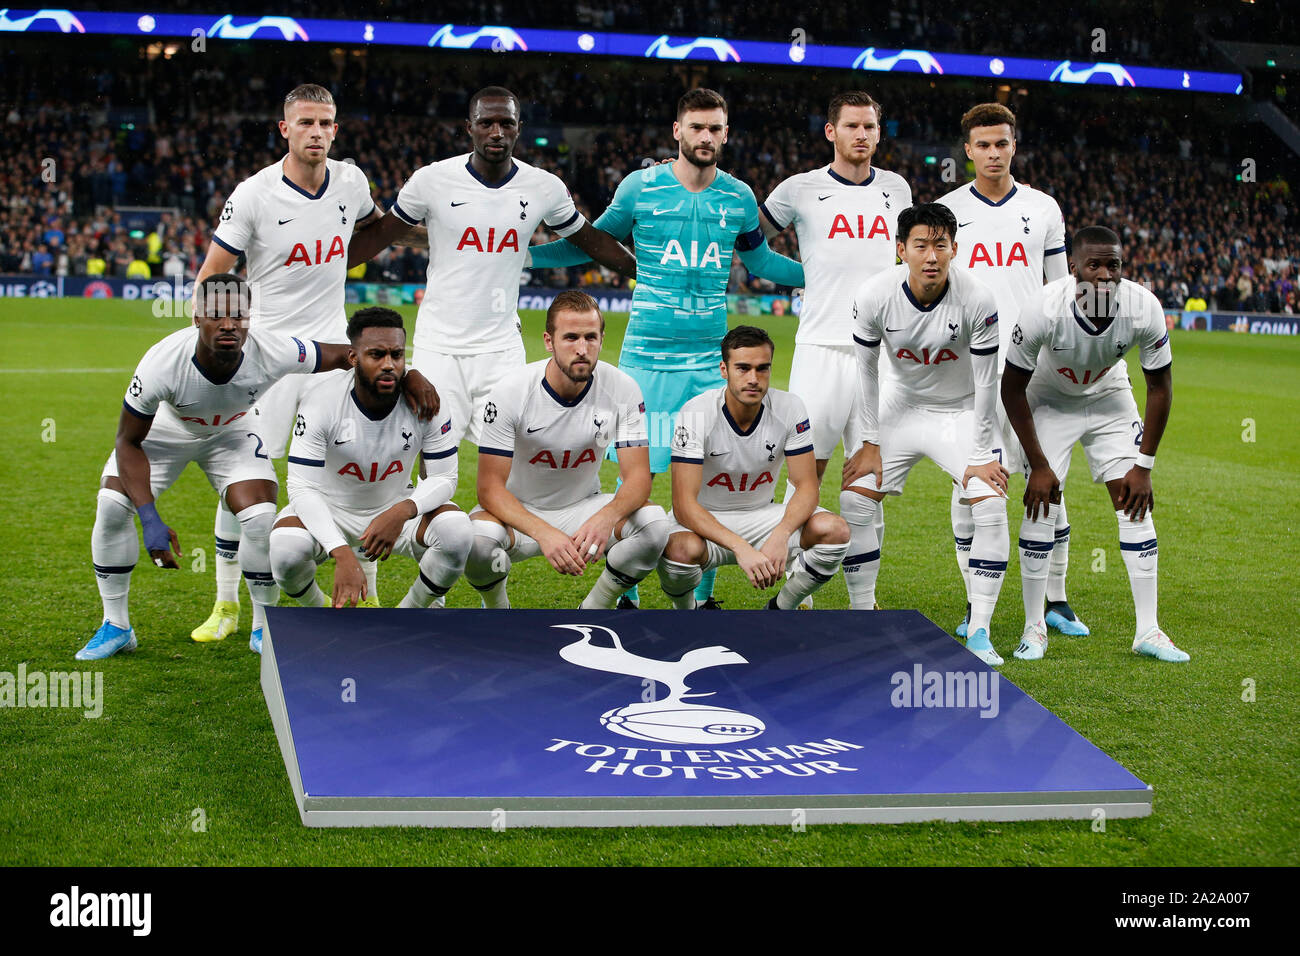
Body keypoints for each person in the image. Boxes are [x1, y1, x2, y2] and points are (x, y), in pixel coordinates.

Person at [529, 88, 805, 608]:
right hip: (645, 363)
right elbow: (593, 242)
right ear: (677, 131)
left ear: (726, 134)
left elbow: (764, 263)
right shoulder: (641, 187)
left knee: (711, 482)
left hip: (709, 365)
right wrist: (519, 254)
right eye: (697, 127)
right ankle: (625, 587)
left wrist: (828, 276)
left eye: (716, 128)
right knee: (638, 481)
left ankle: (702, 595)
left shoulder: (739, 197)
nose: (706, 136)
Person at [77, 275, 438, 660]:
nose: (229, 324)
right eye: (217, 314)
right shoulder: (163, 363)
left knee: (261, 516)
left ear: (250, 318)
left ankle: (264, 625)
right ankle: (116, 625)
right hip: (166, 432)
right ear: (196, 318)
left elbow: (348, 355)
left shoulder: (273, 349)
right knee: (113, 505)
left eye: (238, 315)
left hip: (232, 432)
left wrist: (410, 372)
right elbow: (128, 441)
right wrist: (149, 517)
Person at [192, 83, 390, 643]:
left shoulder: (351, 182)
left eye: (326, 123)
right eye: (306, 123)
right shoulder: (254, 195)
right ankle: (228, 604)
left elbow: (375, 232)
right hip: (267, 362)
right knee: (245, 479)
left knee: (352, 470)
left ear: (336, 128)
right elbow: (212, 276)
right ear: (285, 128)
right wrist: (213, 347)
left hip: (332, 356)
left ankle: (364, 596)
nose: (317, 133)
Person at [347, 86, 635, 453]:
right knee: (435, 457)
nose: (496, 132)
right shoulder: (432, 181)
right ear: (470, 127)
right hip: (440, 346)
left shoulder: (543, 187)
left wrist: (643, 272)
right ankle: (433, 512)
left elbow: (590, 240)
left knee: (512, 459)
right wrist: (327, 264)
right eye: (487, 123)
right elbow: (381, 236)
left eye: (506, 123)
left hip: (501, 349)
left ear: (519, 128)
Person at [1002, 226, 1187, 662]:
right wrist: (1038, 463)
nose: (1105, 274)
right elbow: (1011, 389)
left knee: (1134, 507)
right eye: (1095, 265)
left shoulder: (1143, 307)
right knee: (1041, 505)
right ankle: (1034, 628)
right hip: (1048, 400)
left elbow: (1160, 387)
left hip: (1108, 398)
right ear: (1074, 269)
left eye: (1114, 265)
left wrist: (1144, 465)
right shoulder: (1043, 308)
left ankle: (1148, 631)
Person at [936, 102, 1084, 640]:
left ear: (1014, 145)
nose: (993, 153)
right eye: (983, 144)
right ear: (968, 150)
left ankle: (1056, 600)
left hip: (1035, 369)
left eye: (1003, 143)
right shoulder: (946, 210)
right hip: (971, 369)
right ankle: (976, 603)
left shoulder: (1044, 209)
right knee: (971, 483)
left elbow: (1058, 290)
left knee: (1050, 481)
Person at [758, 90, 910, 608]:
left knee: (869, 478)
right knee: (808, 473)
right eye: (852, 126)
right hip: (820, 349)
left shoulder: (897, 190)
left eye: (870, 126)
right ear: (831, 132)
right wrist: (801, 276)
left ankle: (862, 606)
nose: (862, 135)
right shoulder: (800, 189)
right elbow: (747, 236)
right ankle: (799, 596)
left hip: (881, 356)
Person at [842, 203, 1010, 666]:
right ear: (901, 250)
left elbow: (987, 382)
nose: (931, 255)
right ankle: (862, 618)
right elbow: (866, 372)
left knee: (990, 501)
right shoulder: (875, 294)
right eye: (921, 245)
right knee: (856, 497)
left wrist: (979, 455)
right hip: (900, 405)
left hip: (961, 411)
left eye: (941, 244)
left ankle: (979, 629)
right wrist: (869, 442)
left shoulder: (978, 297)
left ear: (955, 248)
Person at [463, 291, 669, 609]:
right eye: (570, 337)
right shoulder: (510, 391)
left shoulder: (623, 388)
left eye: (590, 337)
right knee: (475, 542)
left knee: (655, 526)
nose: (582, 349)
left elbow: (639, 477)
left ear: (602, 338)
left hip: (582, 510)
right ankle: (495, 608)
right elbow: (489, 489)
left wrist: (606, 517)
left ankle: (596, 607)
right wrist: (544, 533)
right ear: (549, 341)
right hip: (518, 514)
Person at [270, 308, 473, 612]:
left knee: (457, 531)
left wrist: (403, 510)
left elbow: (446, 478)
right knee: (285, 549)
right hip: (330, 509)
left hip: (396, 505)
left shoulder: (427, 400)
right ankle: (321, 609)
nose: (389, 365)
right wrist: (340, 551)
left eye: (396, 354)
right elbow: (301, 487)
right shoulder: (321, 402)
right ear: (353, 358)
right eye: (376, 355)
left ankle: (410, 613)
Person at [657, 326, 849, 609]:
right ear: (724, 369)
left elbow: (807, 486)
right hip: (705, 521)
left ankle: (782, 607)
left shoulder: (790, 407)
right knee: (678, 550)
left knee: (834, 531)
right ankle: (686, 614)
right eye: (743, 368)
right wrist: (741, 547)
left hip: (763, 517)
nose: (754, 379)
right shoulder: (696, 412)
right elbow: (684, 505)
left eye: (762, 369)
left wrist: (781, 534)